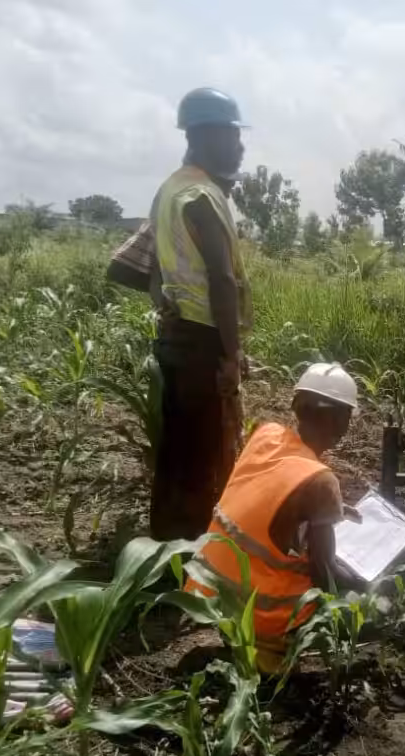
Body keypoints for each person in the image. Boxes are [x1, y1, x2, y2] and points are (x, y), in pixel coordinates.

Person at [185, 363, 363, 673]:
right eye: (347, 417)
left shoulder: (267, 434)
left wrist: (332, 509)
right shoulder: (320, 481)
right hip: (256, 611)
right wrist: (366, 587)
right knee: (360, 604)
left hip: (208, 592)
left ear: (297, 405)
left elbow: (269, 495)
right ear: (339, 421)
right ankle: (269, 652)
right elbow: (324, 574)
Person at [147, 87, 254, 542]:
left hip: (174, 339)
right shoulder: (204, 197)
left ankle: (161, 540)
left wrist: (165, 304)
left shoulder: (168, 191)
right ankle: (187, 553)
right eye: (233, 135)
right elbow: (223, 282)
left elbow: (152, 268)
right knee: (201, 454)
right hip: (204, 343)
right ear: (207, 136)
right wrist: (231, 356)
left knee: (176, 450)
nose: (240, 146)